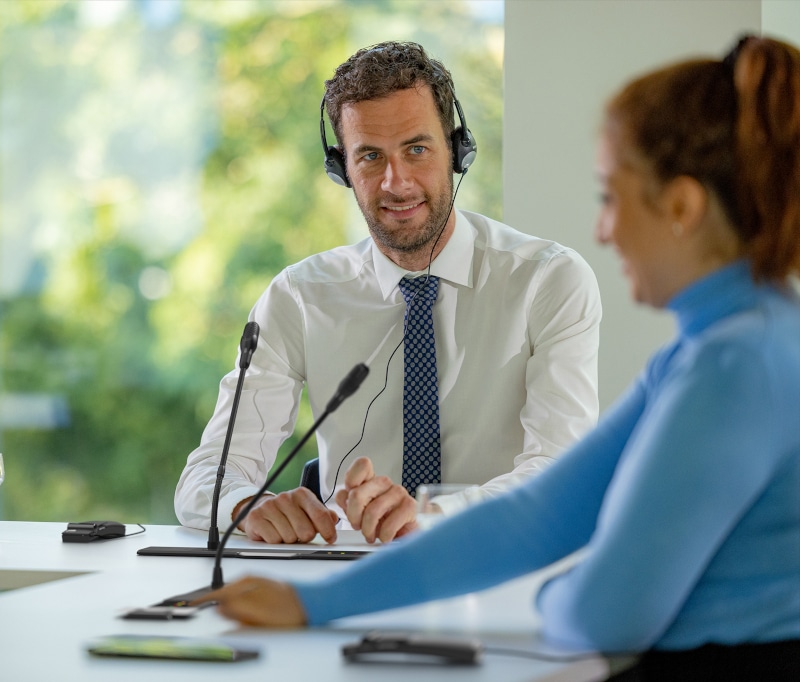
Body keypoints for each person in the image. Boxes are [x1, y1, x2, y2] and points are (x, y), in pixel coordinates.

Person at [201, 35, 800, 680]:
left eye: (608, 198)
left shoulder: (738, 365)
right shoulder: (715, 347)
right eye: (370, 156)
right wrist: (311, 604)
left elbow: (601, 616)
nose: (602, 229)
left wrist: (547, 596)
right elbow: (537, 516)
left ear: (681, 207)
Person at [174, 41, 602, 544]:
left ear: (457, 150)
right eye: (370, 157)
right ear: (342, 169)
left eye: (417, 150)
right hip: (347, 573)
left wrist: (430, 514)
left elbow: (560, 475)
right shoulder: (299, 297)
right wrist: (246, 506)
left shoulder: (548, 280)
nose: (395, 183)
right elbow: (205, 479)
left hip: (493, 562)